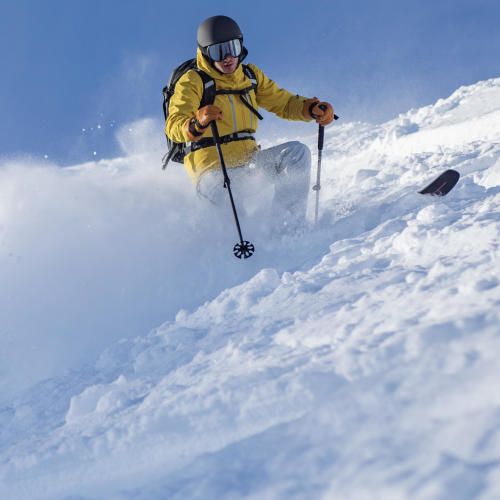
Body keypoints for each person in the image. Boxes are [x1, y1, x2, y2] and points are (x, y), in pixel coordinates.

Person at [165, 15, 335, 230]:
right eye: (218, 51)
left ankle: (288, 229)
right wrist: (197, 122)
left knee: (296, 153)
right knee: (236, 227)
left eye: (233, 48)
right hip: (213, 176)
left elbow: (283, 103)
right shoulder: (193, 81)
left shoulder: (250, 76)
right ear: (206, 53)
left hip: (248, 167)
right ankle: (229, 250)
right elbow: (174, 124)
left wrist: (310, 109)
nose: (228, 57)